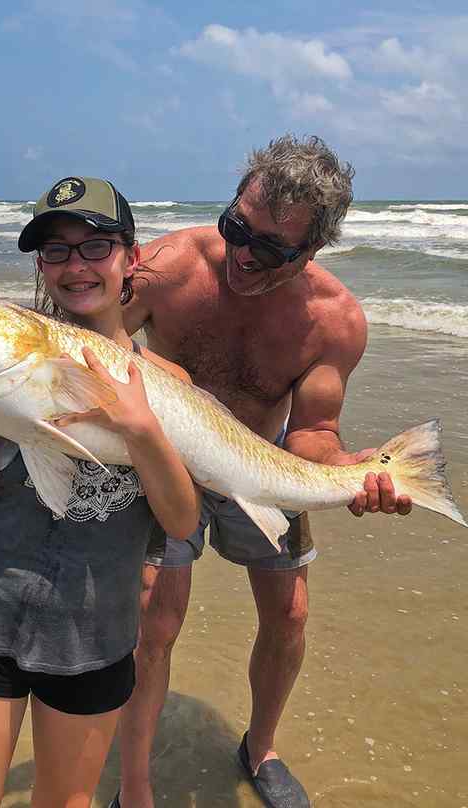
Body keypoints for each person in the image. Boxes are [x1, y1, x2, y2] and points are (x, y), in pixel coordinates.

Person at [110, 136, 413, 808]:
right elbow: (90, 343)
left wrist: (348, 470)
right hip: (170, 461)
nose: (244, 255)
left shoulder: (333, 321)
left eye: (272, 250)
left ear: (314, 249)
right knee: (155, 617)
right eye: (237, 228)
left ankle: (261, 747)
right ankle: (135, 782)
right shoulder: (167, 267)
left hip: (263, 459)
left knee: (290, 614)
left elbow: (314, 432)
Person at [0, 176, 201, 808]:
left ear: (132, 258)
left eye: (95, 247)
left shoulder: (167, 384)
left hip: (93, 634)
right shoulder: (3, 355)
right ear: (41, 265)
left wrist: (143, 430)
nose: (76, 266)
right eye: (56, 251)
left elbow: (181, 522)